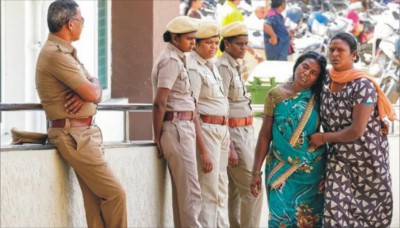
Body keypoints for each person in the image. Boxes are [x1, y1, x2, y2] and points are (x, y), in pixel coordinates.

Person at [35, 0, 127, 227]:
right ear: (70, 23)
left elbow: (93, 88)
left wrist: (91, 87)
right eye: (82, 20)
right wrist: (90, 90)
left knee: (96, 201)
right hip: (74, 136)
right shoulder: (56, 54)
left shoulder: (66, 52)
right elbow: (93, 92)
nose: (83, 25)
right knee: (115, 194)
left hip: (81, 134)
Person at [309, 32, 395, 227]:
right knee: (335, 215)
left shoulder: (362, 85)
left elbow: (356, 130)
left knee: (370, 216)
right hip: (339, 160)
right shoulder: (325, 81)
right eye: (332, 50)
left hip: (368, 160)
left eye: (341, 50)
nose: (335, 54)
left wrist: (322, 138)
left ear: (354, 55)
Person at [251, 51, 328, 227]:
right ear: (296, 65)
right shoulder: (275, 95)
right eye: (305, 67)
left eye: (314, 73)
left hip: (311, 172)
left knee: (310, 221)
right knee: (281, 220)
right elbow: (264, 135)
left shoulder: (319, 98)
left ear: (318, 78)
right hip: (280, 168)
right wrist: (256, 171)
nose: (307, 74)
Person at [151, 16, 203, 227]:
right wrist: (157, 136)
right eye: (189, 39)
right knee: (191, 193)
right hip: (177, 129)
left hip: (182, 127)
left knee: (184, 195)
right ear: (175, 38)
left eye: (194, 38)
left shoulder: (179, 58)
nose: (193, 42)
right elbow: (159, 103)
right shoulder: (171, 61)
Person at [215, 21, 264, 228]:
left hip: (244, 132)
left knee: (236, 192)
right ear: (227, 44)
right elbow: (221, 108)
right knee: (253, 190)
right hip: (233, 135)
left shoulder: (235, 65)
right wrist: (230, 146)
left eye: (246, 43)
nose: (244, 48)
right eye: (239, 44)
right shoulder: (223, 67)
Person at [186, 19, 230, 227]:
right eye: (208, 43)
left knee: (221, 187)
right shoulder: (193, 67)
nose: (213, 47)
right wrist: (203, 149)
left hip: (221, 130)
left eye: (215, 42)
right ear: (196, 44)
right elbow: (191, 108)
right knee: (209, 189)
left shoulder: (211, 66)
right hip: (206, 130)